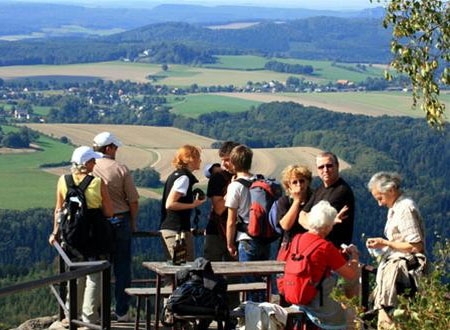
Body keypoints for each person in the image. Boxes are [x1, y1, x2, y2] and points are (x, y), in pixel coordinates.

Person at [49, 146, 114, 324]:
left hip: (72, 234)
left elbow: (58, 209)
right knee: (94, 275)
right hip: (95, 234)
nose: (95, 163)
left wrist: (55, 232)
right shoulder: (98, 183)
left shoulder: (63, 180)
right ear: (86, 163)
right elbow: (109, 212)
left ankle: (71, 315)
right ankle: (90, 319)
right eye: (93, 160)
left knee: (75, 273)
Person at [366, 172, 426, 330]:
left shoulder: (405, 209)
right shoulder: (397, 207)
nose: (380, 204)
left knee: (392, 322)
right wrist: (383, 245)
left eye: (380, 198)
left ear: (391, 189)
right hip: (397, 273)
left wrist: (385, 243)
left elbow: (416, 245)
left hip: (403, 277)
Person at [92, 131, 140, 322]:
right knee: (122, 269)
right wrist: (133, 222)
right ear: (109, 148)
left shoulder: (90, 168)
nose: (117, 150)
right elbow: (134, 200)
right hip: (120, 221)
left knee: (97, 268)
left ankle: (96, 312)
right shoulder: (120, 169)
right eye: (115, 147)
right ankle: (122, 311)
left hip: (98, 223)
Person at [290, 200, 360, 329]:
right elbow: (350, 274)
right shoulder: (325, 247)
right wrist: (354, 256)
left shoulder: (297, 239)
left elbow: (315, 261)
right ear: (327, 227)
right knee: (343, 322)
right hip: (319, 304)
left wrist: (338, 254)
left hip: (299, 297)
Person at [225, 144, 270, 302]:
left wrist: (230, 244)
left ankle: (252, 320)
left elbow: (231, 220)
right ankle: (264, 318)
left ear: (234, 163)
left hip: (246, 238)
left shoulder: (235, 186)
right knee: (262, 283)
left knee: (250, 284)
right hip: (264, 238)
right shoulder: (261, 181)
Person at [269, 164, 312, 306]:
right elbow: (285, 225)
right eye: (295, 182)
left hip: (309, 250)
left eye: (302, 181)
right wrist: (297, 201)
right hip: (289, 250)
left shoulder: (314, 199)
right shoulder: (284, 202)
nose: (299, 185)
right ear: (288, 185)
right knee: (287, 288)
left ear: (308, 182)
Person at [299, 151, 355, 248]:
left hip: (334, 248)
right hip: (319, 246)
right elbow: (301, 215)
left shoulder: (342, 191)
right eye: (321, 167)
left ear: (337, 166)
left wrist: (312, 225)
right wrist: (314, 227)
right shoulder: (319, 190)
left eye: (329, 166)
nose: (325, 170)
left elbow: (323, 222)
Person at [160, 145, 206, 262]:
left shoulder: (176, 175)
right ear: (189, 159)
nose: (200, 160)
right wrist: (193, 205)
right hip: (176, 232)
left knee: (176, 271)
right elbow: (170, 204)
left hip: (172, 229)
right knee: (181, 270)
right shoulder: (184, 178)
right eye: (198, 157)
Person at [203, 141, 239, 262]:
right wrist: (233, 189)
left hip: (238, 233)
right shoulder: (218, 178)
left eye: (227, 160)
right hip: (217, 232)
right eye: (222, 160)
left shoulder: (246, 179)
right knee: (212, 273)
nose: (223, 164)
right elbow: (218, 209)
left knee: (234, 276)